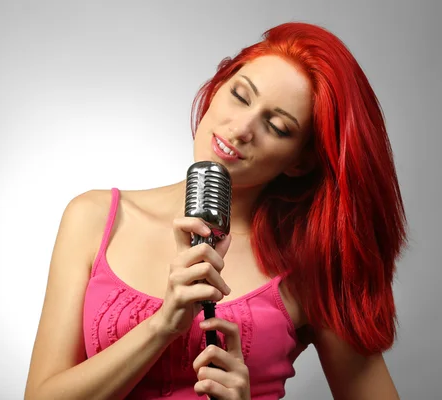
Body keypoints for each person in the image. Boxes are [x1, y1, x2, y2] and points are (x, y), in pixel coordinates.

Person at [24, 21, 407, 400]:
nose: (241, 128)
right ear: (218, 86)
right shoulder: (94, 218)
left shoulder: (310, 270)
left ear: (299, 162)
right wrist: (162, 326)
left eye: (276, 126)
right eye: (240, 95)